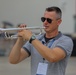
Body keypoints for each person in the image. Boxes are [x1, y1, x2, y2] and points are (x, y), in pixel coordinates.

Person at [9, 6, 73, 75]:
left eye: (49, 20)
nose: (45, 22)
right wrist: (20, 39)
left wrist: (31, 38)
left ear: (59, 22)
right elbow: (13, 60)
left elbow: (53, 57)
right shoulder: (36, 39)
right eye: (43, 19)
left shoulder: (65, 40)